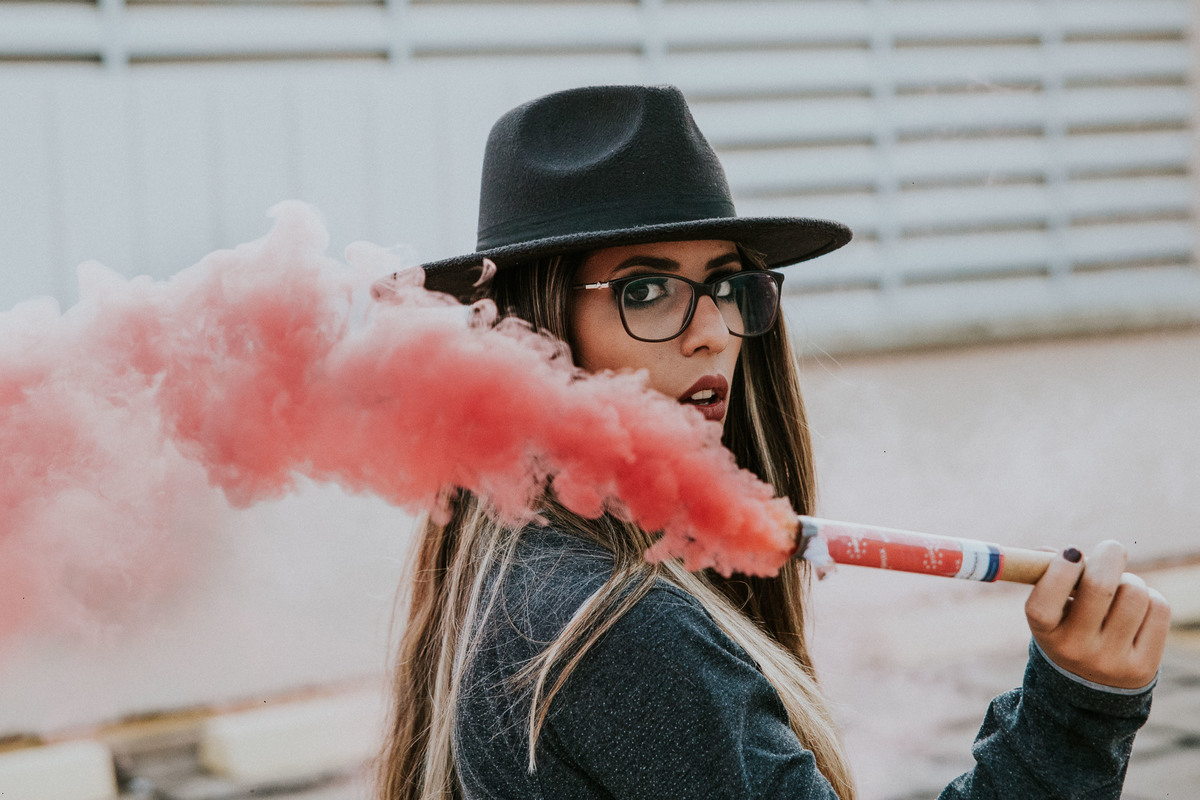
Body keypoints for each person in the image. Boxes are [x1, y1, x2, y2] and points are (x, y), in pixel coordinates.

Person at [376, 85, 1170, 799]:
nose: (714, 332)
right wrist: (1076, 710)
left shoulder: (521, 570)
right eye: (645, 291)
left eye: (726, 284)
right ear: (534, 330)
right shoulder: (618, 629)